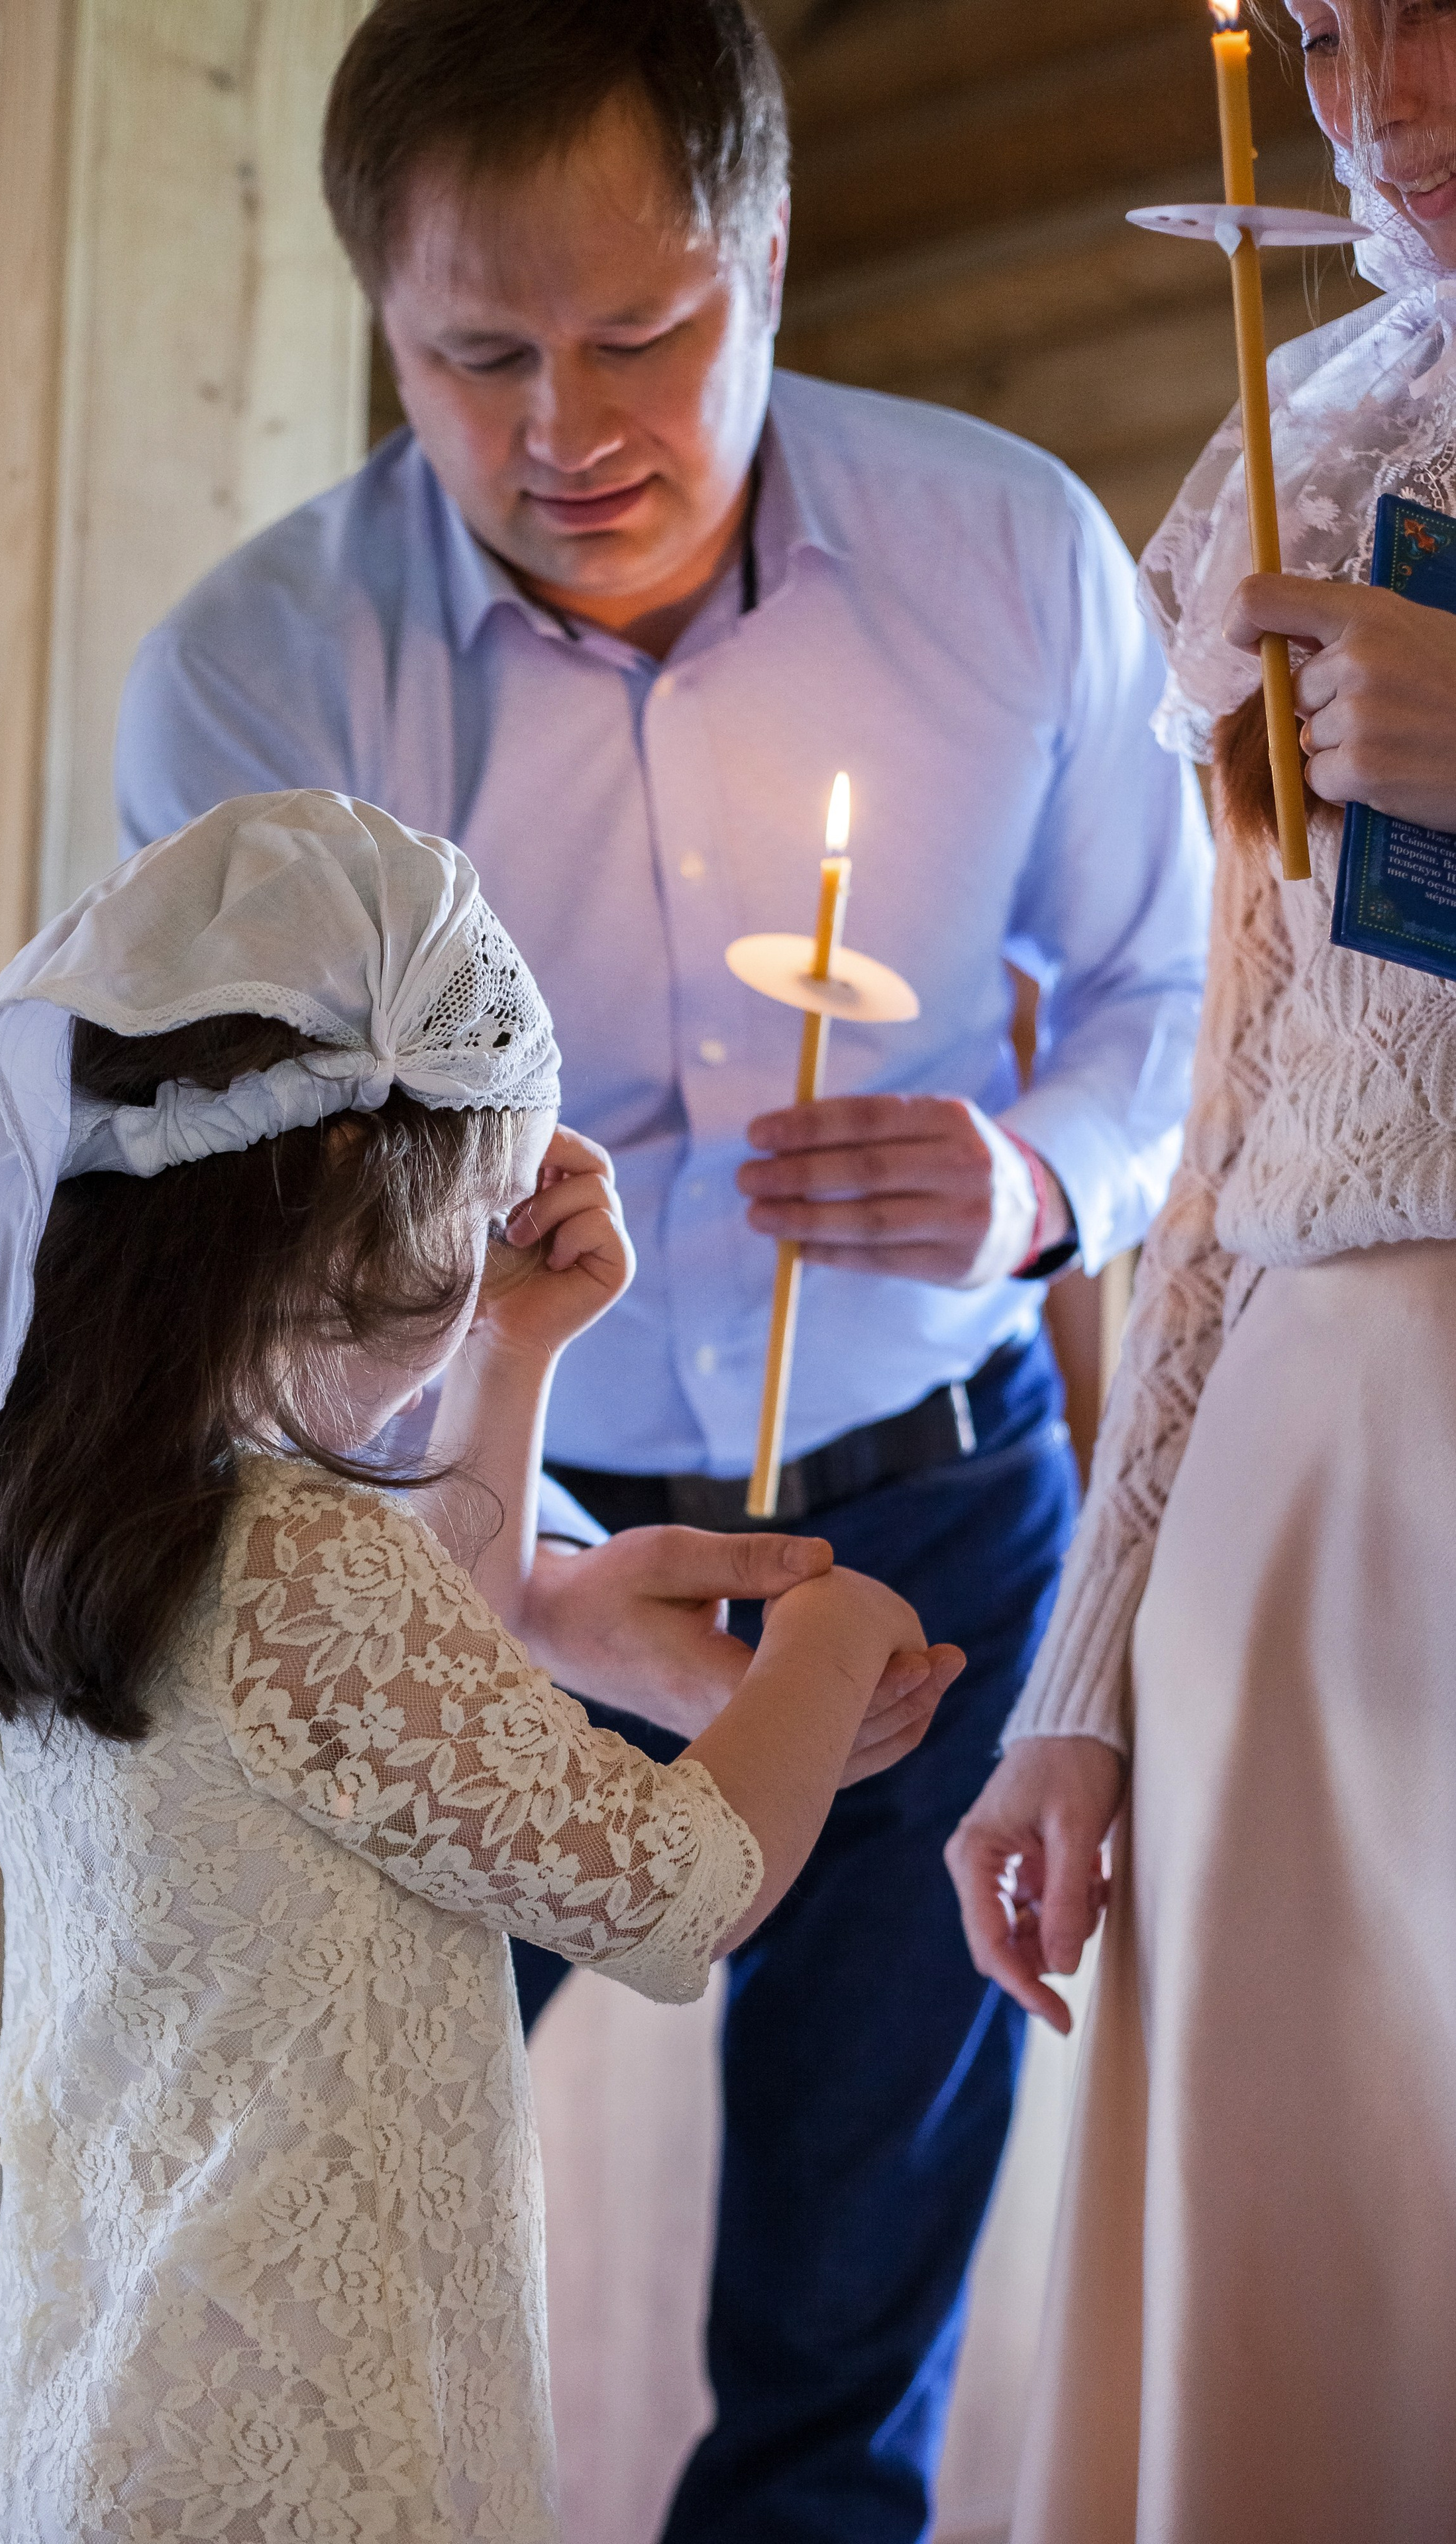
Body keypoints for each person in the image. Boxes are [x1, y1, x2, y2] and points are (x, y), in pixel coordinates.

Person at [113, 5, 1212, 2528]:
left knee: (849, 2317)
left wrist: (1037, 1184)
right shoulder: (254, 683)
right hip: (475, 1549)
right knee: (319, 2224)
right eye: (476, 353)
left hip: (939, 1507)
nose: (562, 431)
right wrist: (421, 1295)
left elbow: (1176, 1002)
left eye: (647, 335)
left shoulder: (1018, 555)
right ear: (375, 312)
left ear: (773, 251)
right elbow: (215, 1240)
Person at [0, 792, 956, 2542]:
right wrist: (836, 1633)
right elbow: (679, 1884)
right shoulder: (300, 1554)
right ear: (351, 1180)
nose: (476, 1275)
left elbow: (392, 1673)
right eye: (471, 1223)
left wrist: (511, 1351)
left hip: (137, 2373)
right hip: (326, 2408)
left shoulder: (52, 1500)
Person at [945, 5, 1456, 2536]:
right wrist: (1081, 1685)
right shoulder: (1303, 445)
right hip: (1278, 1516)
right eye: (1331, 21)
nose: (1381, 100)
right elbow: (1237, 1106)